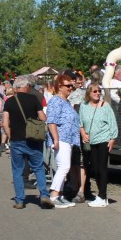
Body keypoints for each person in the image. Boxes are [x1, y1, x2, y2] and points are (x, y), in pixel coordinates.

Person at [2, 76, 51, 209]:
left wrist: (10, 136)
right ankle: (44, 195)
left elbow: (4, 123)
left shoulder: (9, 101)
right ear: (27, 86)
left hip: (16, 139)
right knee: (38, 168)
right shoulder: (34, 99)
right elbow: (43, 118)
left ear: (16, 87)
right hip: (33, 139)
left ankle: (19, 200)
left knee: (17, 170)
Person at [44, 73, 82, 208]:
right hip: (61, 138)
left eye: (71, 85)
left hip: (68, 139)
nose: (70, 88)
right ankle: (54, 195)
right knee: (64, 167)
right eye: (68, 85)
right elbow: (52, 121)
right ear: (60, 86)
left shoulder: (66, 102)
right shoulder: (56, 101)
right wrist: (56, 139)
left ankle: (58, 195)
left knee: (64, 167)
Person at [78, 80, 118, 207]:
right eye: (94, 91)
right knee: (94, 168)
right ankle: (101, 195)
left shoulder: (105, 106)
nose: (97, 93)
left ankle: (102, 196)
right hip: (91, 141)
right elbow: (80, 122)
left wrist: (112, 139)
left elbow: (112, 123)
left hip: (103, 139)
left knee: (102, 168)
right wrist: (83, 134)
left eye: (99, 91)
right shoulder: (83, 106)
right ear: (89, 93)